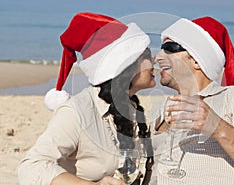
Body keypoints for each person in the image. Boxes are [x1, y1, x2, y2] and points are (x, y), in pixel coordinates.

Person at [18, 12, 156, 185]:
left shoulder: (134, 108)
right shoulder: (76, 113)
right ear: (126, 66)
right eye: (147, 55)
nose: (155, 60)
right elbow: (31, 166)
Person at [153, 16, 234, 184]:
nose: (158, 57)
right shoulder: (162, 110)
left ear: (196, 59)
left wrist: (218, 128)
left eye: (169, 48)